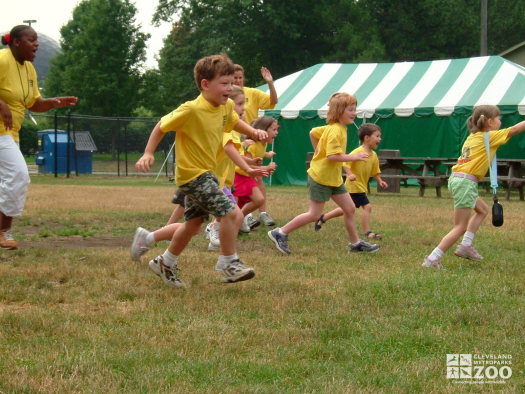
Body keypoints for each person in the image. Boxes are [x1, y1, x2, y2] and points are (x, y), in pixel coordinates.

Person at [135, 54, 268, 288]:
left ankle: (165, 262)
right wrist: (148, 153)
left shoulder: (226, 106)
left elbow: (234, 122)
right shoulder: (191, 110)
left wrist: (253, 131)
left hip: (208, 174)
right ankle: (228, 263)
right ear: (205, 84)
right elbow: (161, 126)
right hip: (192, 175)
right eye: (224, 83)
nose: (230, 88)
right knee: (232, 214)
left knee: (193, 225)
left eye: (232, 83)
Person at [267, 92, 380, 255]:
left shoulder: (335, 128)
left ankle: (355, 244)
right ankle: (280, 233)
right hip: (321, 178)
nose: (354, 113)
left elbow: (313, 132)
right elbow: (332, 156)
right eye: (350, 109)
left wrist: (317, 151)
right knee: (314, 214)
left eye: (355, 109)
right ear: (339, 111)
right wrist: (354, 156)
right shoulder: (335, 131)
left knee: (349, 208)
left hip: (333, 179)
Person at [0, 25, 78, 250]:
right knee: (19, 176)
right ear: (15, 42)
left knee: (8, 180)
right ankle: (3, 231)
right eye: (30, 40)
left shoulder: (29, 70)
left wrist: (54, 102)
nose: (36, 44)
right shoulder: (3, 59)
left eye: (36, 40)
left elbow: (33, 103)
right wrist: (2, 104)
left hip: (10, 133)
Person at [422, 105, 525, 268]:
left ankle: (466, 246)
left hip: (458, 179)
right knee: (460, 226)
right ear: (490, 122)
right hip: (466, 182)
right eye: (499, 119)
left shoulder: (473, 136)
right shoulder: (489, 136)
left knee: (482, 210)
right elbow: (514, 130)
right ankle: (433, 259)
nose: (500, 121)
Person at [313, 123, 388, 239]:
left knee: (346, 209)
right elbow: (345, 163)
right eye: (377, 136)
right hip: (354, 186)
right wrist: (350, 174)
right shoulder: (357, 151)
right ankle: (368, 233)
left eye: (380, 136)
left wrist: (380, 180)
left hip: (361, 187)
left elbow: (375, 170)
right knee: (367, 207)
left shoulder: (373, 155)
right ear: (367, 138)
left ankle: (323, 218)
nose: (380, 139)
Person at [233, 64, 278, 227]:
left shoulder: (252, 93)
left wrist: (270, 83)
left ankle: (257, 213)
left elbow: (273, 102)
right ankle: (236, 217)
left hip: (251, 138)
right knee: (242, 181)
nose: (238, 80)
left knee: (254, 178)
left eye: (240, 77)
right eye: (234, 77)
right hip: (236, 141)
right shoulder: (225, 96)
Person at [233, 115, 278, 232]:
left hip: (249, 177)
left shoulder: (263, 144)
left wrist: (269, 154)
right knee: (235, 204)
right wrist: (265, 168)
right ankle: (234, 221)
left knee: (258, 200)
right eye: (274, 129)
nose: (276, 132)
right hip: (239, 176)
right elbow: (245, 163)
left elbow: (261, 153)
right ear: (263, 130)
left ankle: (238, 220)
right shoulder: (252, 145)